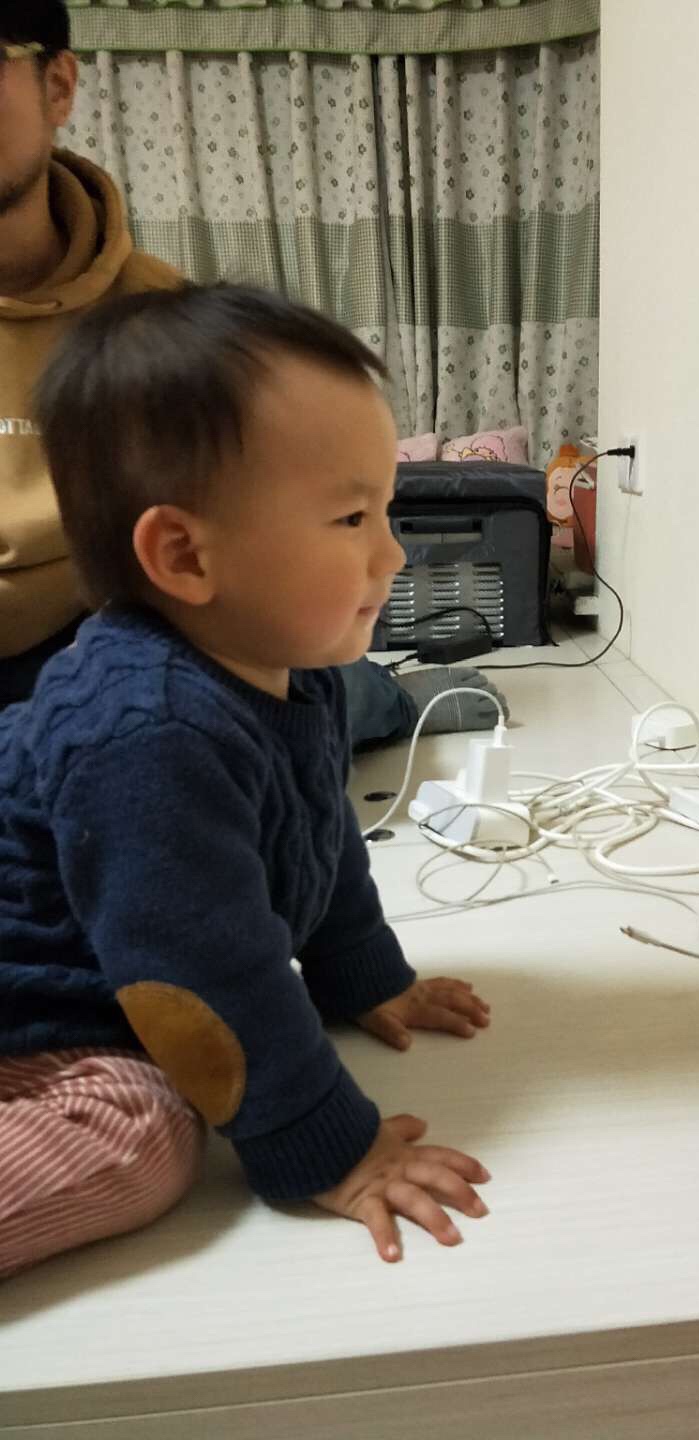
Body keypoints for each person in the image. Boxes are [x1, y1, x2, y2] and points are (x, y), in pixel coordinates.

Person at [0, 283, 494, 1278]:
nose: (392, 553)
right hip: (36, 1015)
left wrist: (364, 977)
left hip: (128, 964)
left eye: (385, 509)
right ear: (185, 555)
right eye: (351, 517)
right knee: (144, 1136)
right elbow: (204, 971)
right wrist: (332, 1147)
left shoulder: (290, 667)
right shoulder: (148, 735)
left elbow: (318, 838)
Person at [0, 0, 506, 740]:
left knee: (294, 674)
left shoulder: (154, 315)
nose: (392, 555)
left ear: (57, 85)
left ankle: (379, 698)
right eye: (356, 517)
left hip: (131, 616)